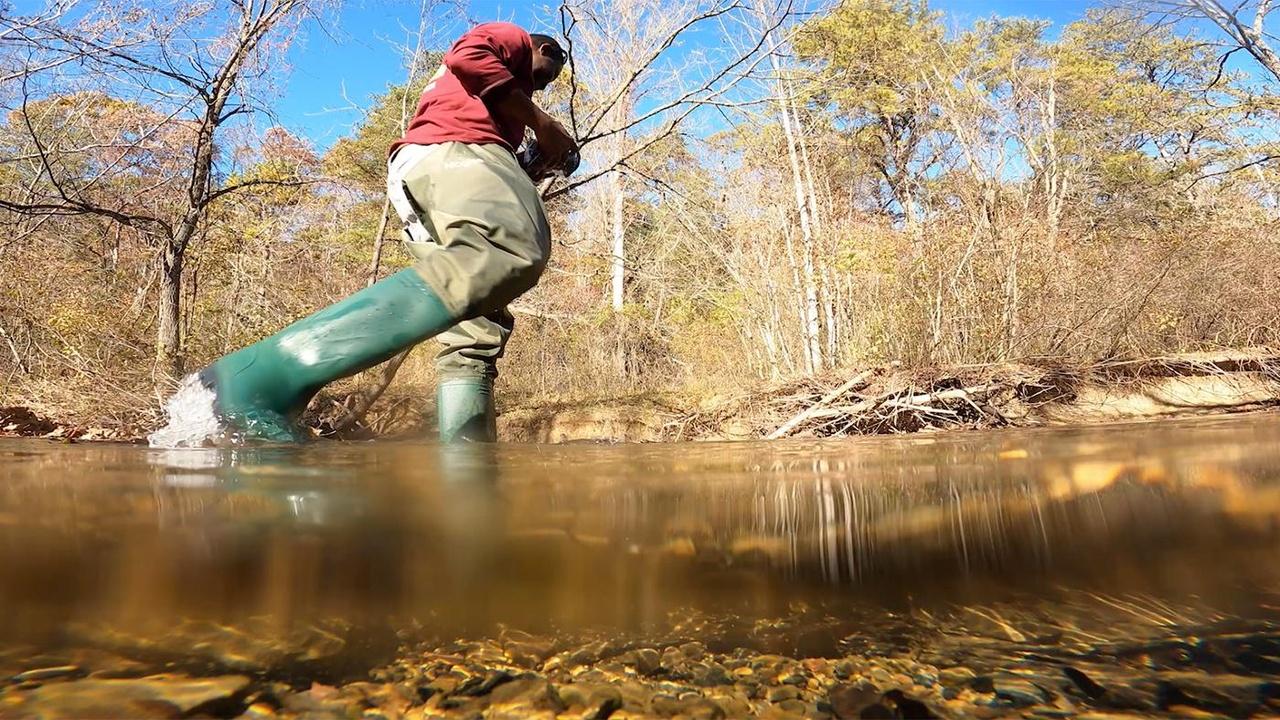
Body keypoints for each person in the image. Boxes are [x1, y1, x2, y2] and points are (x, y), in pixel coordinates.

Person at [193, 23, 576, 443]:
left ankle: (468, 463)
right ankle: (260, 379)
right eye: (545, 75)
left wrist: (530, 164)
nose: (539, 88)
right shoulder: (510, 37)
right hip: (454, 151)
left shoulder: (492, 106)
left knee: (475, 334)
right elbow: (469, 58)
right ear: (545, 49)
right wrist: (543, 123)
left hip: (430, 173)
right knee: (506, 247)